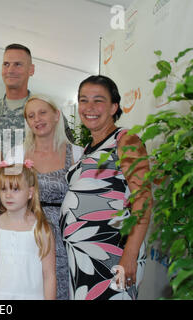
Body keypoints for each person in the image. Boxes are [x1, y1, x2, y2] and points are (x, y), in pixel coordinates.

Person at [60, 75, 152, 300]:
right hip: (82, 259)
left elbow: (143, 199)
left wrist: (129, 254)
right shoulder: (88, 149)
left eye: (98, 100)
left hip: (112, 254)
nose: (89, 107)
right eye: (83, 100)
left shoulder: (125, 140)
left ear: (114, 107)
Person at [23, 94, 84, 300]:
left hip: (67, 236)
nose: (37, 119)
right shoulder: (17, 154)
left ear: (57, 115)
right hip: (29, 234)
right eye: (31, 116)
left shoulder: (77, 153)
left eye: (42, 113)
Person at [0, 160, 56, 300]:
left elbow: (49, 275)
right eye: (4, 189)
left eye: (15, 189)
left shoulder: (41, 229)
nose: (8, 195)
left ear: (30, 192)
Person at [0, 43, 74, 155]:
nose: (10, 70)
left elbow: (68, 152)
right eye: (6, 64)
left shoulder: (49, 111)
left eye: (18, 64)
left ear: (31, 70)